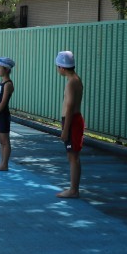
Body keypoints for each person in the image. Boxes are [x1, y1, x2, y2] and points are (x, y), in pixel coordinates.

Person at [55, 50, 85, 198]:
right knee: (72, 156)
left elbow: (70, 106)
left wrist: (65, 130)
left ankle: (73, 190)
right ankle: (74, 189)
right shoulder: (76, 80)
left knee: (73, 157)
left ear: (62, 67)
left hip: (71, 121)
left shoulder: (71, 83)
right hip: (74, 120)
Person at [0, 57, 15, 171]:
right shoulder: (2, 82)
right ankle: (2, 163)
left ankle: (5, 164)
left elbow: (4, 102)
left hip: (3, 115)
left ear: (6, 69)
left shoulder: (8, 84)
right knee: (1, 141)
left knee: (5, 141)